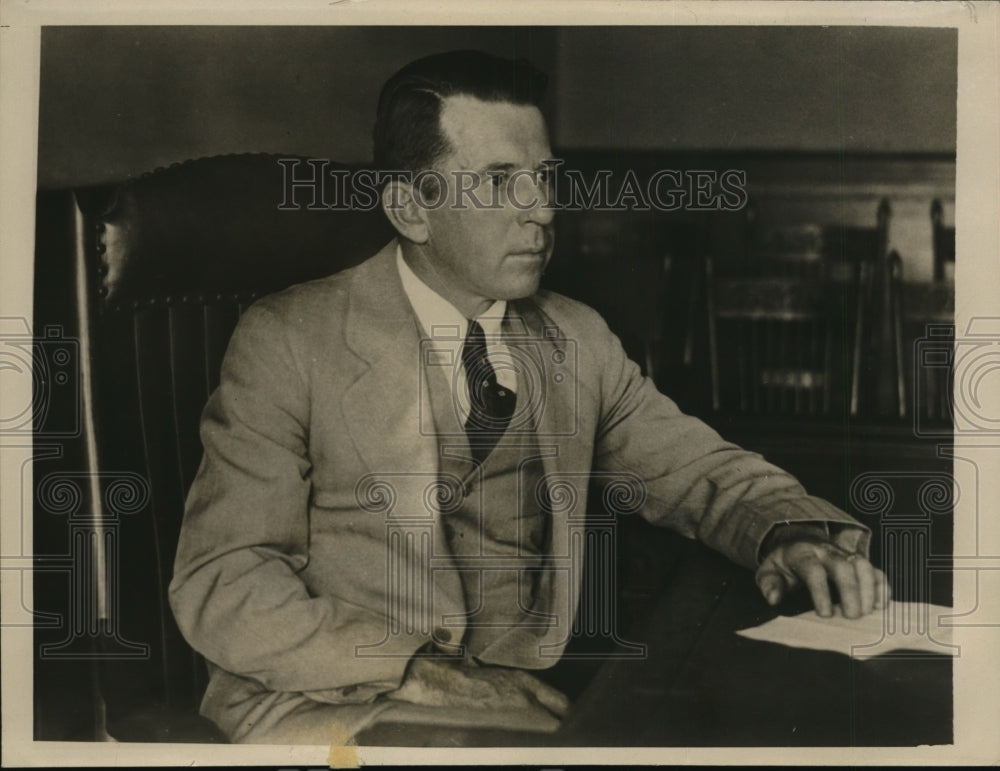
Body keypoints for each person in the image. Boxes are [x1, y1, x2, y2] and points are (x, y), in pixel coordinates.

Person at [169, 50, 889, 745]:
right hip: (332, 704)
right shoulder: (289, 339)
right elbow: (223, 580)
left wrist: (785, 531)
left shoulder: (575, 336)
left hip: (521, 692)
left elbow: (696, 469)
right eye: (499, 181)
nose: (541, 210)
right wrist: (417, 670)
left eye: (546, 178)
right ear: (409, 209)